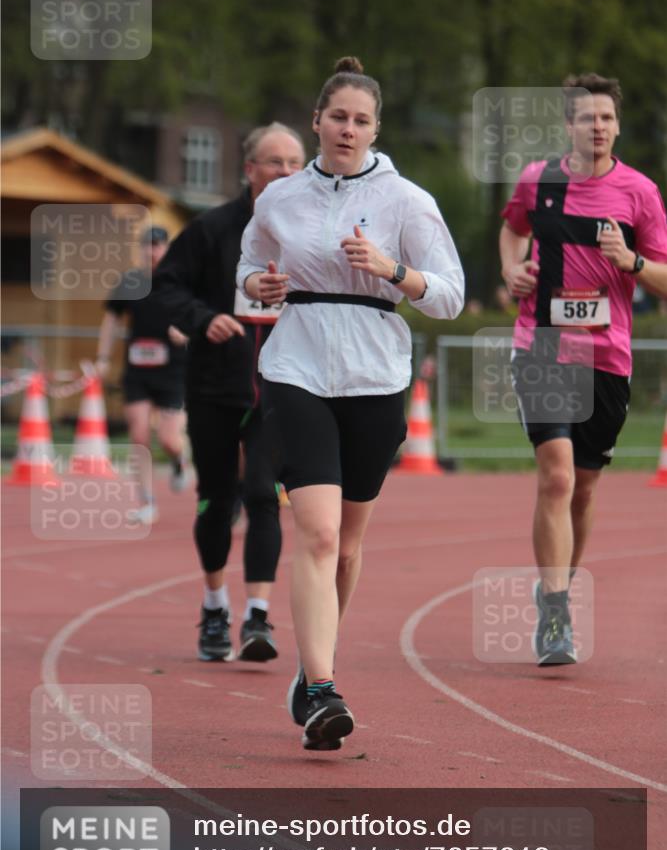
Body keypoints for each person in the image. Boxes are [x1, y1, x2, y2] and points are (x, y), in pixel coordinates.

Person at [238, 56, 465, 751]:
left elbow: (451, 295)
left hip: (374, 375)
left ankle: (310, 677)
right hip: (297, 366)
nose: (347, 128)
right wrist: (260, 288)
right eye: (337, 116)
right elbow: (248, 268)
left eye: (360, 119)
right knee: (319, 533)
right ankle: (323, 686)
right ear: (316, 121)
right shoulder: (280, 197)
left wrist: (393, 270)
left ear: (375, 129)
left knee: (349, 545)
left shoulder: (408, 201)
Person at [499, 72, 667, 666]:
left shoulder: (640, 193)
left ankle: (560, 588)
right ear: (568, 125)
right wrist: (511, 271)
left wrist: (633, 260)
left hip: (607, 355)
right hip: (541, 346)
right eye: (585, 118)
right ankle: (555, 610)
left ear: (616, 126)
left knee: (585, 485)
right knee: (559, 477)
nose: (596, 127)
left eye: (605, 118)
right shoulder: (537, 180)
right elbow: (512, 228)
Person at [151, 122, 305, 664]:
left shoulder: (310, 230)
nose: (286, 172)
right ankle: (215, 605)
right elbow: (166, 285)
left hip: (281, 387)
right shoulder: (212, 229)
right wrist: (204, 318)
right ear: (249, 169)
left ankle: (257, 618)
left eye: (294, 162)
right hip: (217, 385)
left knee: (264, 494)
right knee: (217, 501)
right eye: (273, 162)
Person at [96, 225, 189, 525]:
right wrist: (102, 358)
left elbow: (200, 314)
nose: (151, 252)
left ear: (166, 249)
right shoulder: (129, 282)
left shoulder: (181, 280)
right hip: (137, 370)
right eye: (146, 247)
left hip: (174, 371)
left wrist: (186, 331)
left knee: (169, 439)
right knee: (138, 436)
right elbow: (111, 321)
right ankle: (146, 502)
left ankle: (179, 461)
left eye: (157, 246)